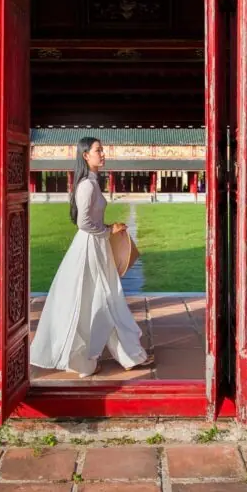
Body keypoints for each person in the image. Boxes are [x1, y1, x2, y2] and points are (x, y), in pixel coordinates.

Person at [30, 137, 153, 377]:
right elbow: (83, 223)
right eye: (98, 150)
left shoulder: (92, 183)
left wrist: (109, 227)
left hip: (97, 245)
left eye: (102, 149)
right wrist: (108, 231)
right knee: (103, 299)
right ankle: (106, 357)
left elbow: (91, 220)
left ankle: (119, 356)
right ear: (85, 155)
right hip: (89, 248)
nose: (103, 153)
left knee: (103, 300)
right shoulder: (87, 185)